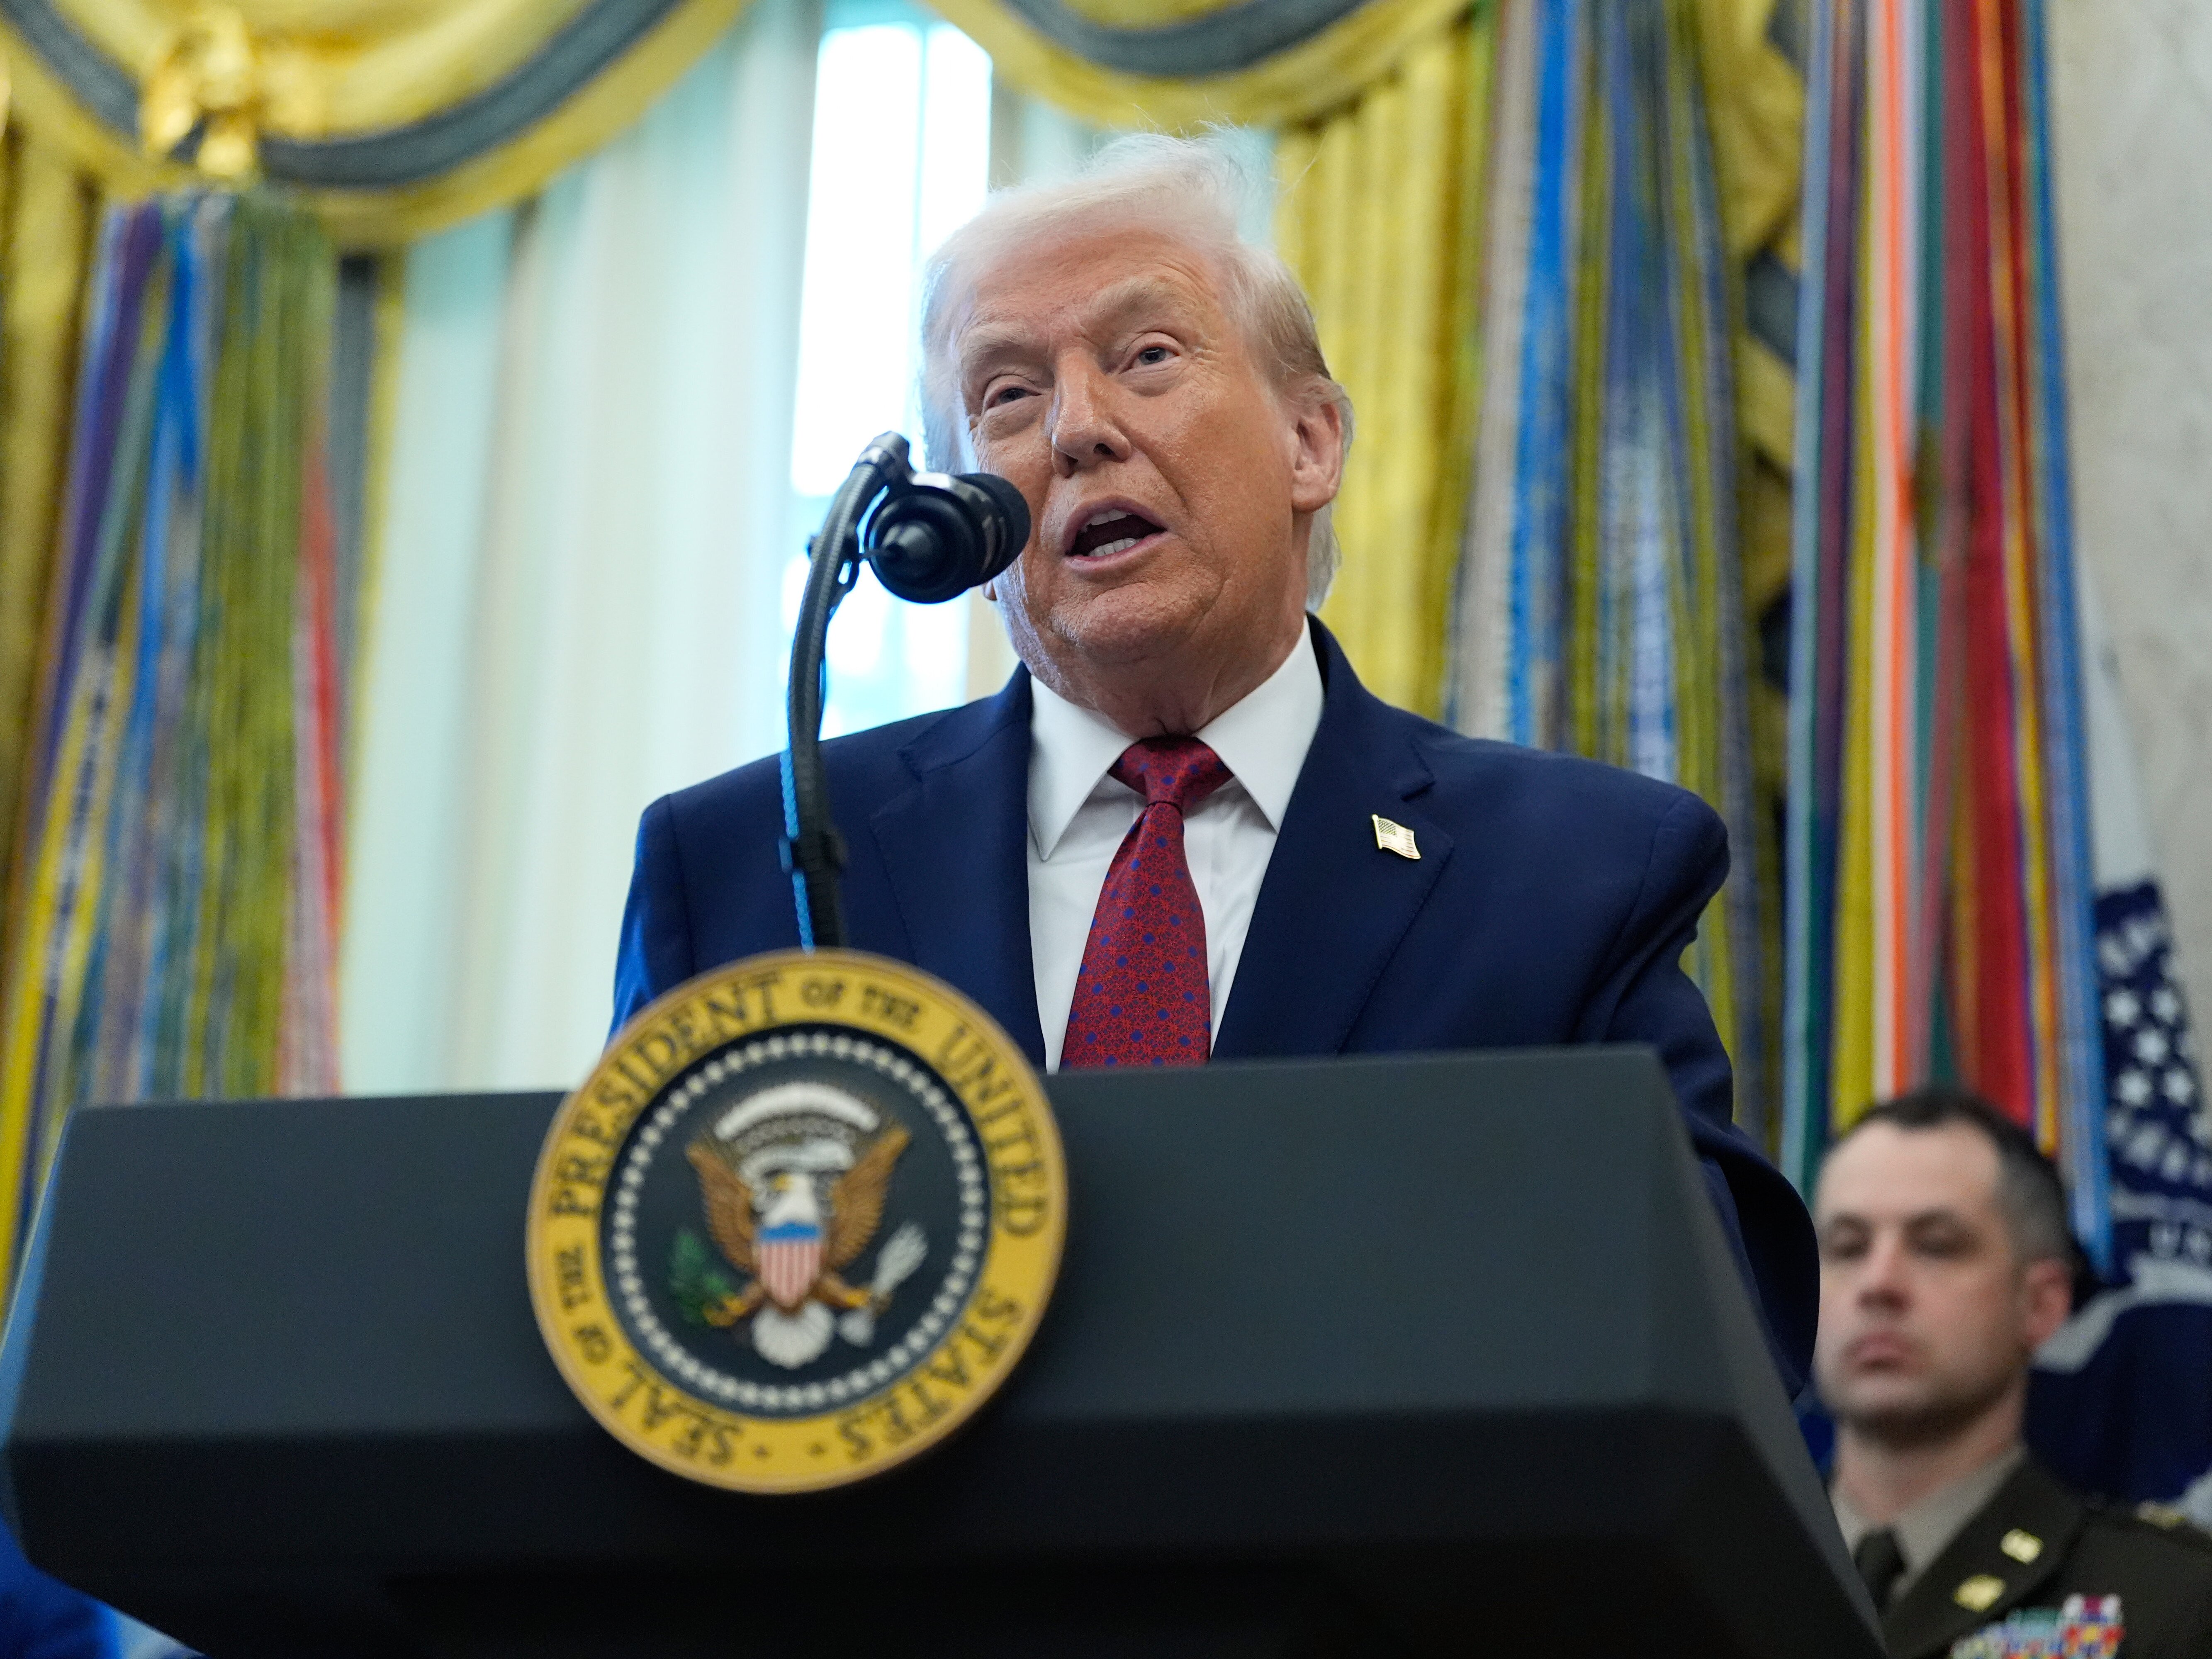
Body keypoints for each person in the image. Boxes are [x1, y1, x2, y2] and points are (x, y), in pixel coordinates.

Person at [612, 133, 1815, 1394]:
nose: (1076, 429)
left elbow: (1716, 1344)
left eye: (1145, 358)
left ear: (1309, 443)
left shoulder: (1570, 873)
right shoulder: (751, 865)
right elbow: (643, 1339)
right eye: (1005, 397)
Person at [1814, 1087, 2212, 1657]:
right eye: (1847, 1247)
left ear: (2040, 1305)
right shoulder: (1703, 1568)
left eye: (1935, 1245)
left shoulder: (2171, 1600)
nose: (1878, 1284)